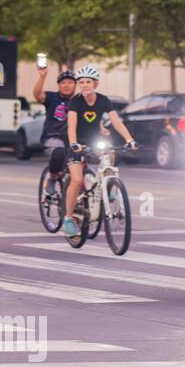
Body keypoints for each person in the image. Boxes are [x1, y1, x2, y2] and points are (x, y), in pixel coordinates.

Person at [60, 65, 136, 238]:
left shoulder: (103, 100)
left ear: (96, 83)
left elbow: (116, 122)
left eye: (88, 82)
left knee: (110, 153)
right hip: (75, 143)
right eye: (81, 82)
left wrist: (129, 139)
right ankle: (68, 218)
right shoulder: (75, 101)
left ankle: (109, 186)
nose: (84, 85)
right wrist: (73, 144)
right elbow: (71, 126)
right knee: (77, 179)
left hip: (94, 140)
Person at [32, 65, 78, 189]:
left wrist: (101, 127)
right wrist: (42, 77)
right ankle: (52, 178)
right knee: (59, 152)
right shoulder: (52, 97)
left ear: (75, 85)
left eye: (70, 82)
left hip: (73, 139)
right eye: (63, 83)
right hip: (53, 137)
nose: (66, 85)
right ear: (59, 85)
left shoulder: (79, 101)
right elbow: (37, 95)